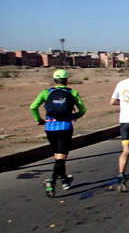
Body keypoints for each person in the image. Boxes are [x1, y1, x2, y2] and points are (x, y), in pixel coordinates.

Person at [30, 69, 87, 197]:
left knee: (58, 156)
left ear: (54, 80)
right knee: (62, 157)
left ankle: (65, 180)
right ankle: (51, 181)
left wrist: (38, 120)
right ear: (67, 80)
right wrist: (73, 116)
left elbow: (33, 107)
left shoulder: (46, 92)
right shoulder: (72, 92)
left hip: (49, 127)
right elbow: (82, 109)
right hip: (65, 127)